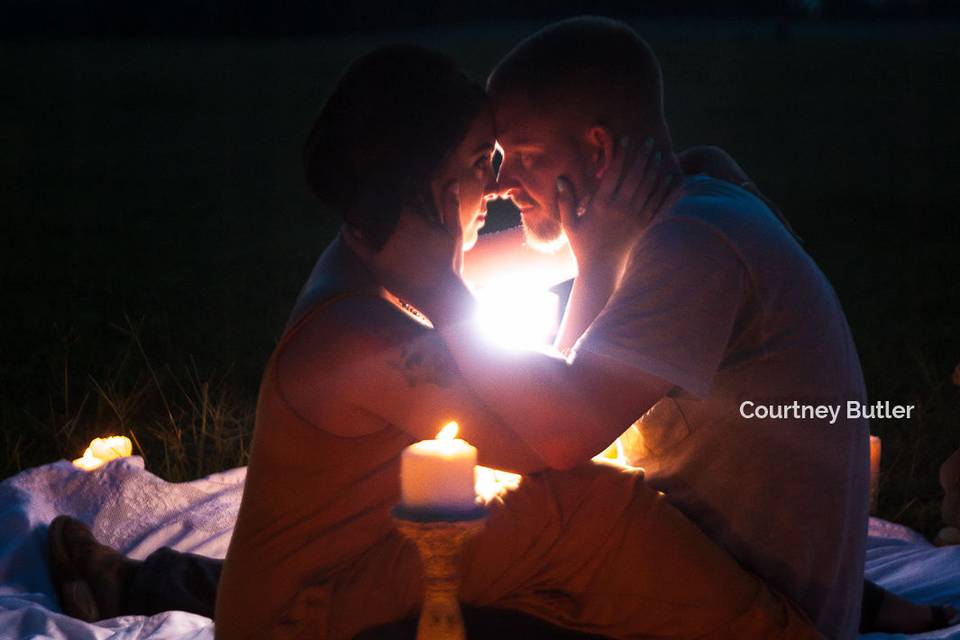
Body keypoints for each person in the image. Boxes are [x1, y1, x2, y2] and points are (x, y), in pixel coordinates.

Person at [48, 43, 820, 639]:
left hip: (340, 581)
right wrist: (468, 291)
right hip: (305, 622)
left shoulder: (377, 259)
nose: (497, 186)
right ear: (430, 185)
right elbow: (553, 440)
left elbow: (543, 259)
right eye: (482, 164)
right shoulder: (365, 337)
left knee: (543, 518)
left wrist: (644, 202)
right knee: (581, 510)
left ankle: (148, 582)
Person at [346, 17, 871, 639]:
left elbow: (560, 441)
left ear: (598, 151)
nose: (503, 184)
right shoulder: (679, 207)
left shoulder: (693, 244)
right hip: (686, 578)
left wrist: (443, 290)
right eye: (495, 162)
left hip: (751, 613)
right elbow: (457, 270)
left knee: (418, 611)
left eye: (525, 158)